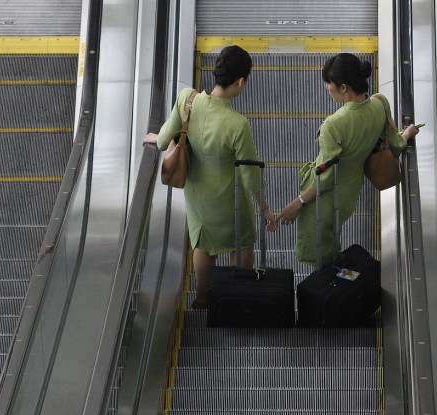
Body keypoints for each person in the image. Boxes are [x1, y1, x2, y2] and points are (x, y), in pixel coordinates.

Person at [143, 45, 277, 309]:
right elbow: (251, 179)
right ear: (240, 81)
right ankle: (234, 297)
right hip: (231, 203)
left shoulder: (187, 100)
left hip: (198, 200)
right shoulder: (238, 125)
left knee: (202, 244)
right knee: (242, 244)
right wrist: (266, 210)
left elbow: (164, 142)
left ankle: (203, 297)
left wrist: (156, 137)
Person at [277, 53, 419, 267]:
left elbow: (325, 177)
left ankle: (325, 296)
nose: (327, 87)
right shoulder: (379, 103)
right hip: (347, 198)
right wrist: (407, 134)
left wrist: (299, 202)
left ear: (343, 87)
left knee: (318, 259)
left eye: (329, 83)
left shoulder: (333, 125)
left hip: (322, 203)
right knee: (332, 248)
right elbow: (394, 144)